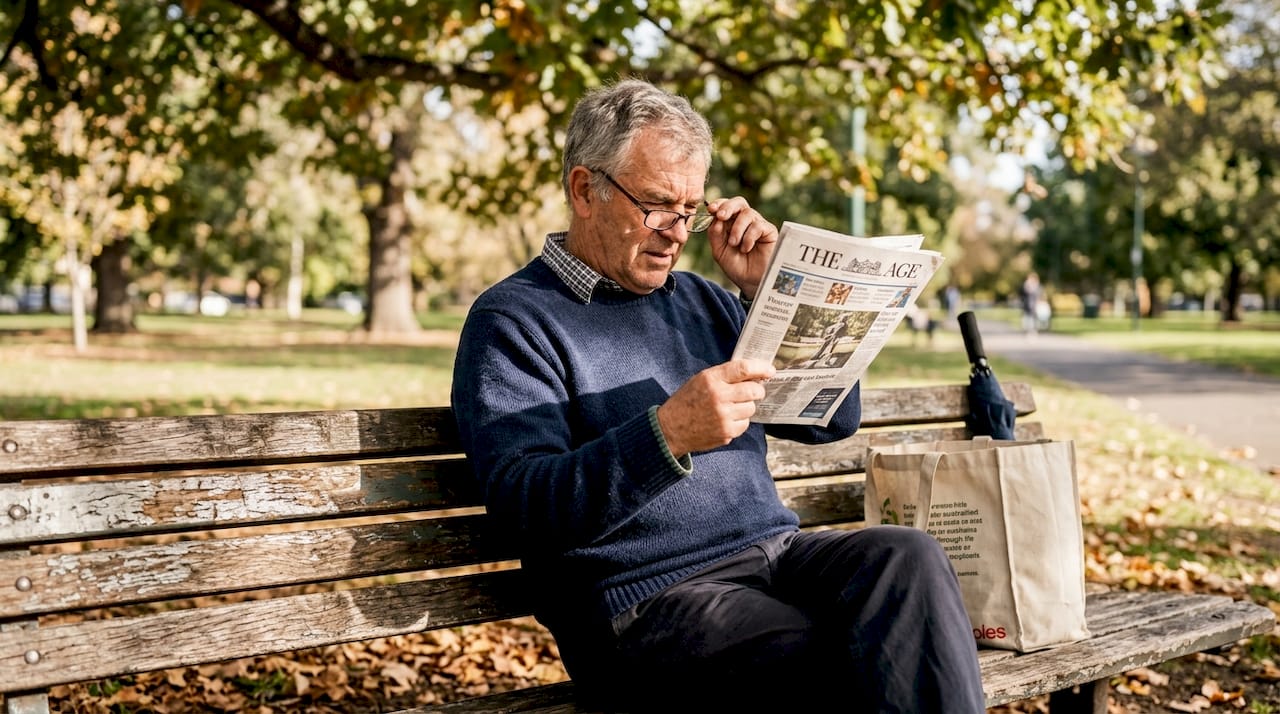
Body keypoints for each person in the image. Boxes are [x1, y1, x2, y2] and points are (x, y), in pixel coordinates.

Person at [451, 79, 984, 713]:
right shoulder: (513, 320)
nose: (677, 233)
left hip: (774, 557)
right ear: (584, 190)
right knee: (825, 655)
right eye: (656, 206)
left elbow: (833, 420)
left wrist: (768, 294)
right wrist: (666, 436)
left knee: (907, 560)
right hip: (642, 602)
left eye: (691, 210)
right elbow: (521, 506)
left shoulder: (703, 301)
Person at [1019, 272, 1041, 336]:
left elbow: (1038, 294)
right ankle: (1027, 330)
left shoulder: (1037, 286)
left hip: (1034, 304)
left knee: (1034, 318)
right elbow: (1023, 293)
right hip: (1026, 304)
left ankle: (1033, 330)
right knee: (1027, 317)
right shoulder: (1025, 285)